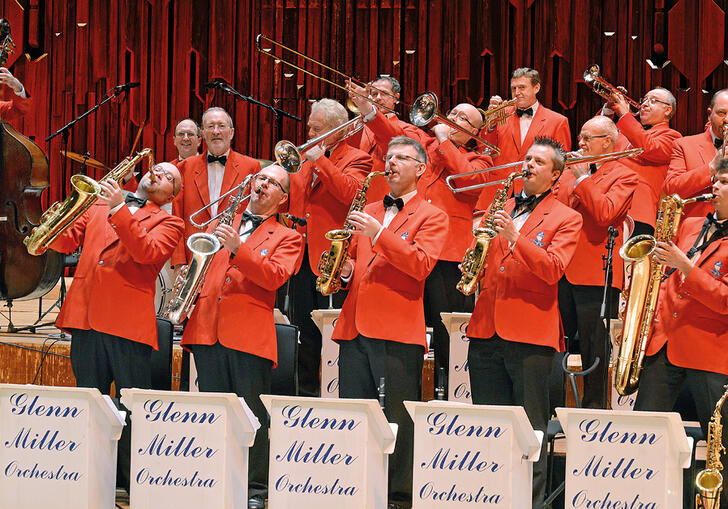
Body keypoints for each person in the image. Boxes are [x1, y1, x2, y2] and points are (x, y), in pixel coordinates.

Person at [347, 80, 492, 395]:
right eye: (451, 113)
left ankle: (449, 391)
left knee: (445, 333)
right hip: (407, 247)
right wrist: (368, 109)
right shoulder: (423, 146)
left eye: (464, 119)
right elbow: (389, 134)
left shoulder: (481, 160)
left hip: (449, 256)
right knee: (404, 322)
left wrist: (445, 143)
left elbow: (468, 181)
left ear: (475, 133)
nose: (453, 119)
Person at [48, 162, 184, 490]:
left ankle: (128, 480)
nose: (159, 175)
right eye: (157, 169)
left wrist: (119, 208)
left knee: (129, 407)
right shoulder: (98, 203)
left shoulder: (170, 222)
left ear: (172, 195)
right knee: (89, 401)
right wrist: (55, 218)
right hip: (87, 316)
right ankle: (89, 475)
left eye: (169, 177)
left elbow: (146, 252)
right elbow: (63, 243)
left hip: (127, 323)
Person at [333, 135, 448, 509]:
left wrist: (379, 234)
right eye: (389, 156)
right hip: (354, 326)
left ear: (420, 168)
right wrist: (345, 270)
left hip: (397, 330)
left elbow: (419, 265)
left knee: (397, 418)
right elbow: (356, 263)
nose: (392, 163)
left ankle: (399, 496)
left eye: (401, 157)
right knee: (354, 415)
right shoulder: (368, 208)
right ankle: (354, 487)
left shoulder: (433, 215)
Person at [466, 137, 582, 507]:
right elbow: (484, 258)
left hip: (531, 334)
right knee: (489, 427)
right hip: (486, 329)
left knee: (529, 431)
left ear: (555, 176)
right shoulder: (501, 207)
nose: (528, 165)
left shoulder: (567, 217)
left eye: (538, 162)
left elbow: (551, 270)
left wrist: (514, 236)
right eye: (526, 158)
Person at [181, 163, 302, 509]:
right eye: (260, 178)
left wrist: (238, 248)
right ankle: (213, 478)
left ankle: (255, 490)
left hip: (249, 336)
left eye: (273, 183)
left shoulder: (288, 236)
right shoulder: (224, 222)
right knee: (213, 415)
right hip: (207, 328)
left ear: (283, 198)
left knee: (251, 418)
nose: (263, 184)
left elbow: (274, 276)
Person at [634, 159, 728, 506]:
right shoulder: (690, 223)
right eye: (715, 181)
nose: (714, 188)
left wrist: (687, 267)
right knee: (642, 438)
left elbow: (724, 300)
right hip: (665, 345)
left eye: (724, 182)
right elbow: (665, 280)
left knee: (720, 452)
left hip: (711, 356)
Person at [287, 98, 373, 397]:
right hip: (299, 259)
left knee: (331, 333)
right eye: (309, 126)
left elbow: (352, 192)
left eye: (317, 127)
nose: (309, 132)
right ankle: (304, 397)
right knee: (303, 336)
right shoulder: (303, 159)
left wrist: (320, 161)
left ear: (337, 130)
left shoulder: (358, 158)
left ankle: (335, 399)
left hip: (333, 259)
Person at [555, 116, 638, 408]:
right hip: (559, 268)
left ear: (607, 142)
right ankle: (551, 409)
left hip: (596, 274)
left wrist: (581, 178)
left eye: (588, 137)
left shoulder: (624, 175)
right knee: (554, 345)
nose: (581, 143)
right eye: (580, 136)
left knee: (595, 350)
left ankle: (594, 413)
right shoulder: (567, 173)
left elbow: (605, 213)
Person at [171, 107, 261, 270]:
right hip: (193, 256)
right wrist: (178, 262)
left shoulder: (251, 166)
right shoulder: (184, 167)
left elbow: (257, 215)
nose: (216, 131)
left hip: (232, 258)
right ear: (203, 133)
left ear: (231, 132)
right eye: (210, 127)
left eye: (221, 126)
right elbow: (176, 218)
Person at [475, 67, 571, 212]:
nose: (517, 93)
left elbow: (562, 166)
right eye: (514, 88)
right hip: (496, 193)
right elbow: (484, 151)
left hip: (536, 193)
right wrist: (491, 126)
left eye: (522, 87)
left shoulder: (558, 121)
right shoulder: (501, 114)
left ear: (536, 87)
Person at [608, 86, 682, 236]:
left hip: (637, 211)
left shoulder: (672, 137)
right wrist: (608, 110)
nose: (645, 104)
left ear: (667, 110)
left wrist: (624, 115)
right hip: (609, 203)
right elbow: (599, 141)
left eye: (653, 101)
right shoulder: (623, 133)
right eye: (645, 100)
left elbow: (648, 147)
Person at [664, 88, 728, 218]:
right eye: (722, 113)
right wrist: (711, 167)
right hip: (696, 231)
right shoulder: (684, 145)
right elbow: (672, 190)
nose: (727, 119)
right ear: (709, 114)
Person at [348, 75, 406, 203]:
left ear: (396, 98)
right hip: (353, 200)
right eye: (374, 94)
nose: (378, 98)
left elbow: (389, 135)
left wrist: (366, 108)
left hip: (383, 199)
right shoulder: (357, 127)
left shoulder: (406, 128)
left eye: (384, 94)